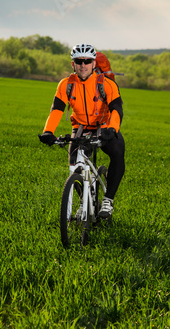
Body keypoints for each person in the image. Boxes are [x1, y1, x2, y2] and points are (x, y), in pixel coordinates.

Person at [39, 43, 125, 218]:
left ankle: (108, 200)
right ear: (73, 64)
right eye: (79, 61)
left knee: (117, 152)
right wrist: (48, 131)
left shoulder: (106, 84)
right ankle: (83, 201)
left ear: (94, 64)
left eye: (87, 61)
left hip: (104, 126)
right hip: (80, 128)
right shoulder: (66, 84)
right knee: (74, 165)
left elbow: (117, 109)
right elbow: (56, 109)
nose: (83, 65)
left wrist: (112, 129)